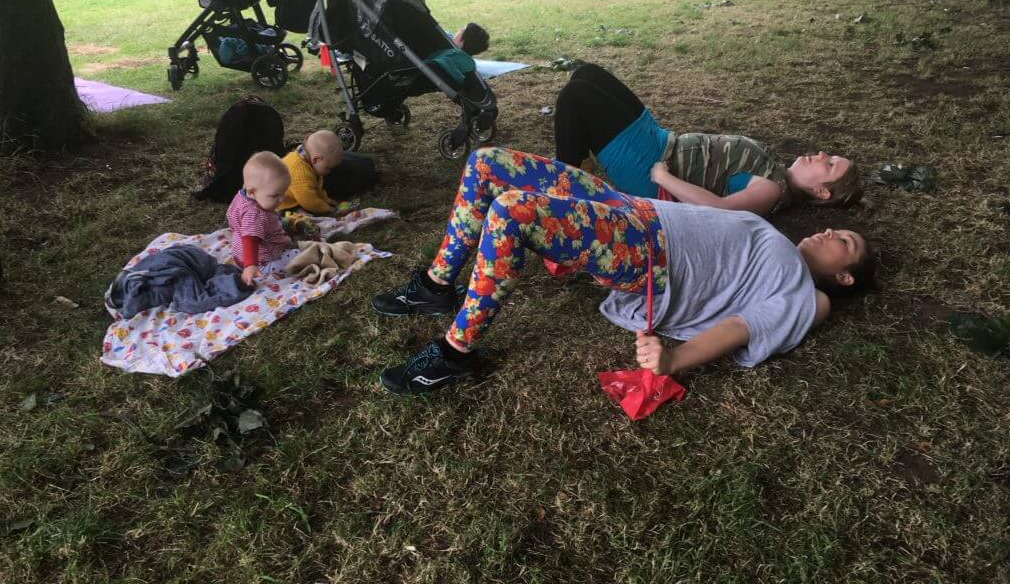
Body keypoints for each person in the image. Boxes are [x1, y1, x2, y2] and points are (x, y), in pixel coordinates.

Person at [371, 148, 877, 395]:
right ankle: (437, 286)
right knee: (486, 162)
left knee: (511, 211)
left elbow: (744, 328)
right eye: (838, 229)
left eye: (845, 243)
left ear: (845, 277)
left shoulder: (808, 296)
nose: (832, 234)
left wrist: (674, 360)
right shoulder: (770, 232)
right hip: (630, 208)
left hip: (650, 254)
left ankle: (455, 352)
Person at [555, 63, 863, 216]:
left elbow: (719, 210)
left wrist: (663, 177)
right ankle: (580, 169)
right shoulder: (775, 168)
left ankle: (565, 196)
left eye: (831, 164)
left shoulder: (772, 188)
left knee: (575, 96)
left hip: (650, 167)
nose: (823, 154)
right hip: (661, 141)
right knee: (587, 73)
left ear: (821, 191)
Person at [228, 152, 295, 286]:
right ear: (252, 191)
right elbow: (250, 239)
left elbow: (232, 220)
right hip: (261, 262)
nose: (282, 199)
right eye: (275, 195)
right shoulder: (256, 214)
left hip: (238, 254)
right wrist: (251, 265)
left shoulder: (241, 196)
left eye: (284, 192)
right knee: (298, 255)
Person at [277, 130, 345, 215]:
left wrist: (326, 200)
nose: (329, 172)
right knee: (305, 217)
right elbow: (308, 200)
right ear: (316, 159)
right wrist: (327, 209)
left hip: (297, 198)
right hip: (282, 205)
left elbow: (315, 188)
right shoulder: (299, 172)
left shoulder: (306, 160)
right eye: (328, 168)